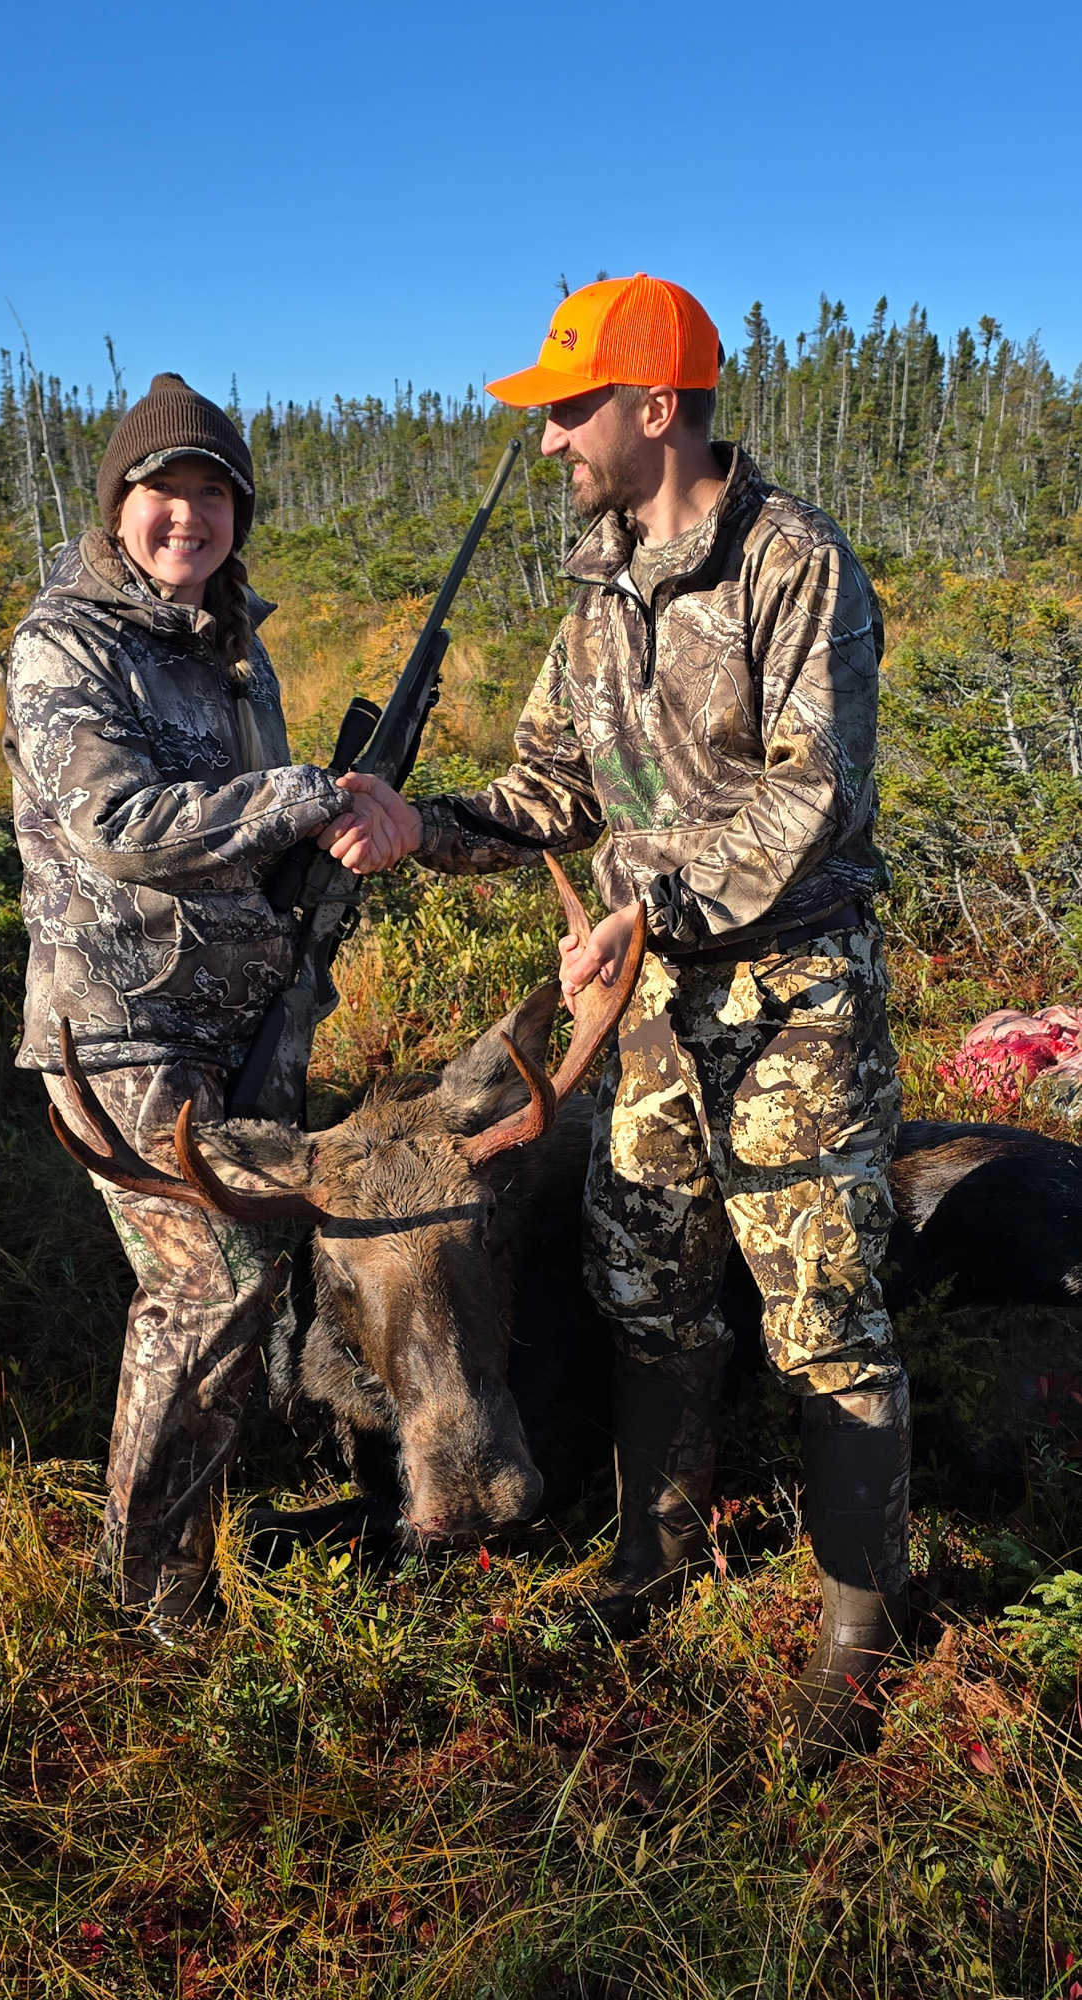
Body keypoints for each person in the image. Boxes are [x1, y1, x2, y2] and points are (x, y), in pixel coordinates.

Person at [324, 275, 908, 1761]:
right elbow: (547, 794)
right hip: (642, 1015)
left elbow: (813, 794)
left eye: (567, 411)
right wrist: (421, 826)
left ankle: (858, 1633)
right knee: (646, 1286)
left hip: (789, 1003)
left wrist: (648, 899)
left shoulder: (791, 566)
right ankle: (653, 1559)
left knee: (822, 1314)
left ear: (656, 408)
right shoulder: (594, 588)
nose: (547, 444)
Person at [4, 373, 355, 1628]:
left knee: (248, 1272)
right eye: (164, 492)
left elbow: (246, 841)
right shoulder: (67, 641)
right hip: (117, 1023)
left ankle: (208, 1503)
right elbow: (116, 825)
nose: (188, 518)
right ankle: (151, 1589)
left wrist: (338, 852)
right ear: (119, 504)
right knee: (210, 1283)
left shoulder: (232, 645)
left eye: (213, 494)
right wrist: (309, 796)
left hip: (237, 1016)